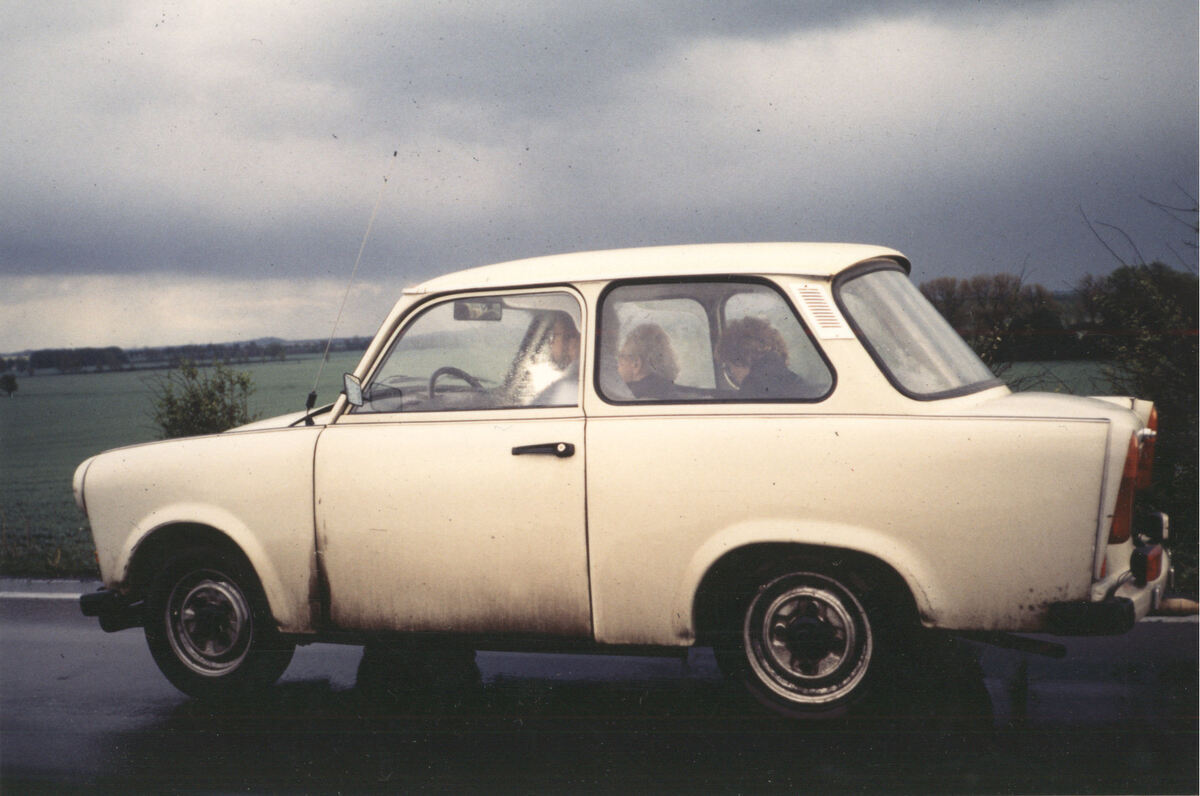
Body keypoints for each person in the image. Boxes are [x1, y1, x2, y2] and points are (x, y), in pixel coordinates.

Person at [716, 316, 802, 398]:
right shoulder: (796, 382)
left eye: (729, 367)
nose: (732, 373)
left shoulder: (752, 387)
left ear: (742, 358)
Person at [617, 323, 679, 399]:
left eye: (621, 356)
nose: (617, 364)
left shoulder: (622, 397)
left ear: (636, 364)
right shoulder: (681, 393)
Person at [533, 312, 581, 405]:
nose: (551, 344)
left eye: (554, 336)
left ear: (572, 340)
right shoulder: (612, 378)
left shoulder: (566, 389)